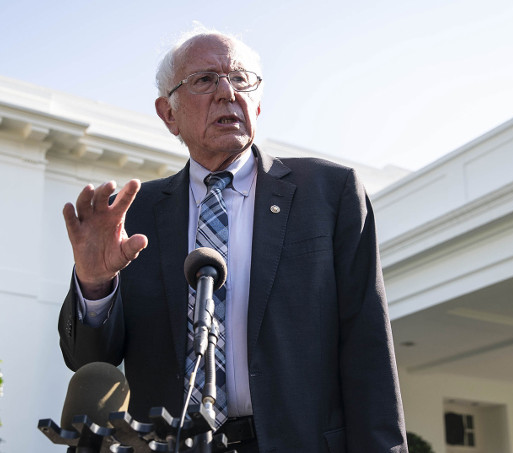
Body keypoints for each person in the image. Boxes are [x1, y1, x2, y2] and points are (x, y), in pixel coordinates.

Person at [58, 28, 407, 453]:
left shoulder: (329, 194)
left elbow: (368, 348)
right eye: (204, 80)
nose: (228, 92)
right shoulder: (133, 213)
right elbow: (89, 361)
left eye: (241, 79)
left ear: (257, 103)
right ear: (168, 113)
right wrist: (95, 285)